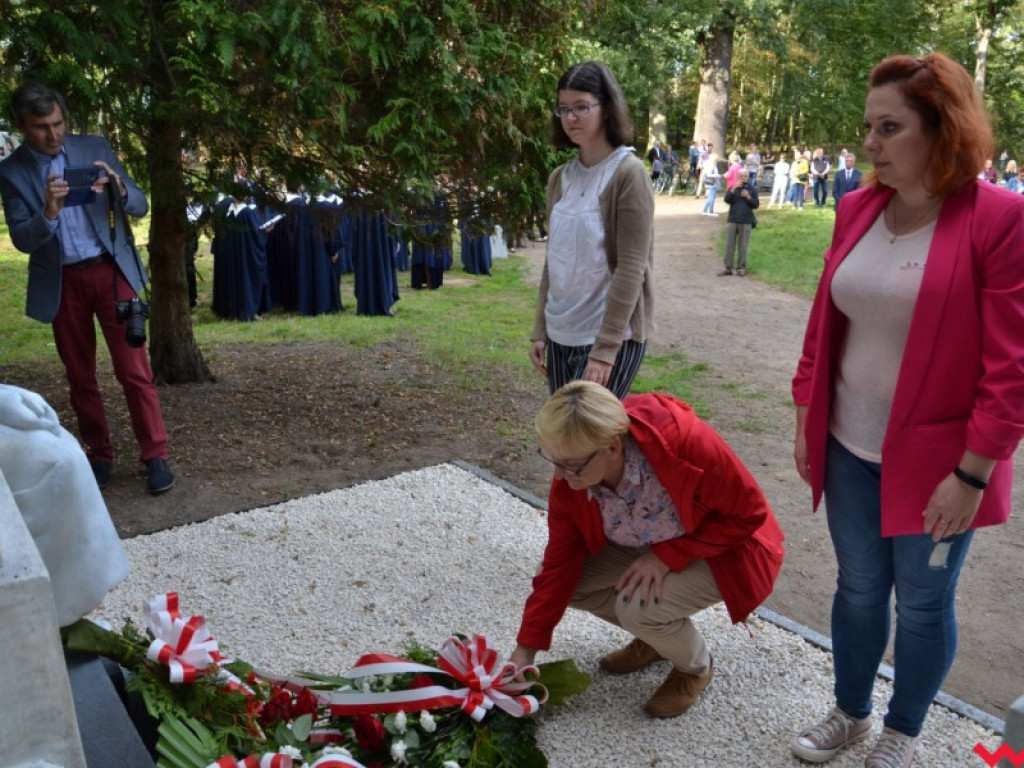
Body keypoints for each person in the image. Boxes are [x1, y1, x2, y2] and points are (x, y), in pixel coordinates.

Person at [790, 53, 1024, 768]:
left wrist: (974, 475)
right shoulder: (857, 208)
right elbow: (825, 327)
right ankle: (852, 712)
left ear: (942, 129)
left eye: (889, 128)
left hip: (943, 468)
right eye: (869, 127)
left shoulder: (1000, 219)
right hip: (845, 446)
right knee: (858, 589)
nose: (870, 144)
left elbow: (1011, 367)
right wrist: (806, 417)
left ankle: (903, 730)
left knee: (922, 605)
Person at [509, 381, 784, 718]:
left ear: (612, 446)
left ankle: (695, 667)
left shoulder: (685, 442)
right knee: (574, 586)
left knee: (637, 609)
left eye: (572, 466)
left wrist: (667, 557)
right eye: (553, 461)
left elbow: (748, 514)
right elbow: (559, 565)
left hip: (723, 549)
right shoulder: (572, 479)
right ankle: (657, 638)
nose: (562, 477)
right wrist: (525, 651)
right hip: (647, 542)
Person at [0, 82, 174, 495]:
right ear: (23, 127)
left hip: (112, 271)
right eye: (41, 127)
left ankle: (156, 455)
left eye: (58, 123)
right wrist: (49, 211)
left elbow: (141, 205)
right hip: (63, 282)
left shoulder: (92, 147)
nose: (53, 134)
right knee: (80, 376)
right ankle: (99, 455)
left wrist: (119, 186)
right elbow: (24, 239)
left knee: (135, 371)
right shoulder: (11, 172)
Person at [529, 62, 654, 399]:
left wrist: (606, 348)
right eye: (564, 109)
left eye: (582, 107)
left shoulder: (628, 174)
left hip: (607, 335)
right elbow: (552, 262)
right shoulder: (560, 178)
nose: (570, 118)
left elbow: (632, 267)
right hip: (560, 334)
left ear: (607, 109)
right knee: (566, 445)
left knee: (593, 446)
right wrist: (540, 329)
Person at [719, 168, 759, 277]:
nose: (743, 178)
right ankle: (728, 268)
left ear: (748, 177)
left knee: (743, 246)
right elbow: (726, 200)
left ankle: (741, 268)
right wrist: (733, 189)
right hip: (732, 219)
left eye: (745, 176)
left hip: (746, 221)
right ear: (738, 176)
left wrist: (748, 197)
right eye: (741, 176)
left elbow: (756, 204)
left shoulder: (751, 189)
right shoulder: (733, 187)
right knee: (729, 245)